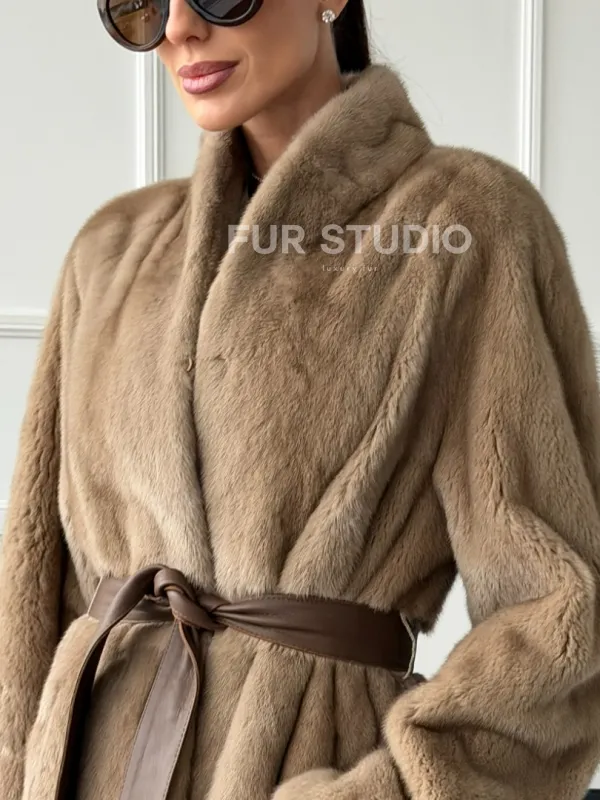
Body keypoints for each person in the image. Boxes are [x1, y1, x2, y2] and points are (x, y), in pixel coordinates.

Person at [2, 0, 600, 798]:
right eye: (139, 5)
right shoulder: (109, 252)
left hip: (307, 757)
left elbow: (563, 613)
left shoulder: (461, 227)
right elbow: (35, 588)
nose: (178, 28)